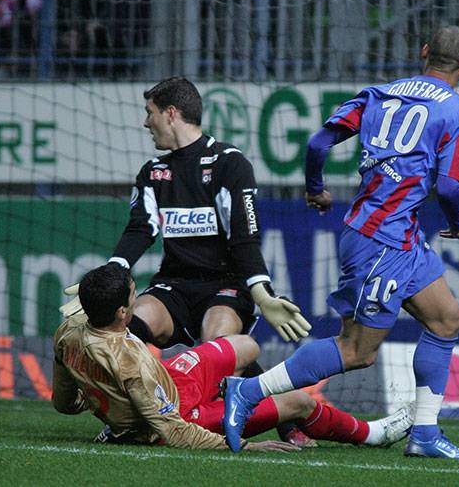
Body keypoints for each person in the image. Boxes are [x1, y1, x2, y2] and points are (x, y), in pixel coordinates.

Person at [222, 26, 459, 460]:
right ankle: (248, 390)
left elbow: (318, 142)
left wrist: (315, 189)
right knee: (357, 351)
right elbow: (451, 188)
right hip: (382, 240)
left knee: (447, 320)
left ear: (424, 52)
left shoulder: (379, 93)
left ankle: (424, 434)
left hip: (399, 237)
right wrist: (456, 222)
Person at [61, 76, 312, 445]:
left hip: (225, 285)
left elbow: (244, 238)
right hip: (173, 286)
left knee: (218, 343)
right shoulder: (154, 172)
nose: (146, 122)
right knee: (126, 325)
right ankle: (128, 419)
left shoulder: (229, 163)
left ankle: (283, 419)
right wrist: (110, 279)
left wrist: (260, 293)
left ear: (171, 113)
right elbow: (139, 229)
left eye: (150, 113)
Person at [52, 263, 414, 450]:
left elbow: (63, 403)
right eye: (133, 296)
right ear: (121, 314)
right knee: (299, 403)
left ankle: (236, 397)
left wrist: (102, 400)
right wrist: (238, 444)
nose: (137, 297)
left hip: (169, 382)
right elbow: (171, 430)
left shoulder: (68, 330)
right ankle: (373, 434)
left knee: (246, 346)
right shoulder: (129, 359)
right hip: (181, 415)